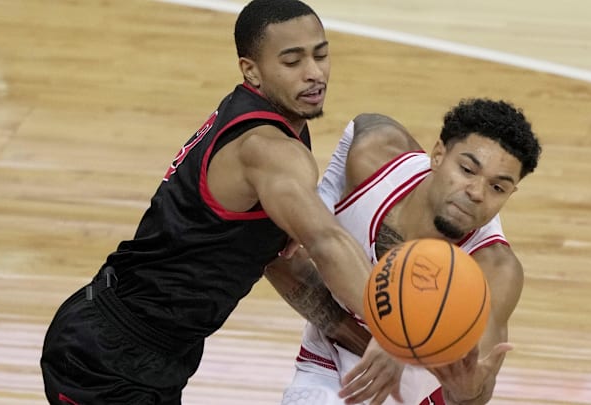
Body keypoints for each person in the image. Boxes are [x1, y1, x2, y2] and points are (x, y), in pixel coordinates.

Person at [39, 1, 380, 404]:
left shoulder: (280, 127)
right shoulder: (266, 149)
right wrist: (395, 330)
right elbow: (325, 241)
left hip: (153, 349)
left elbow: (278, 262)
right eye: (292, 61)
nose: (314, 73)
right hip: (109, 356)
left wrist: (361, 339)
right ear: (250, 70)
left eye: (320, 55)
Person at [264, 98, 542, 404]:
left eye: (497, 188)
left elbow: (476, 385)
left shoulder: (496, 271)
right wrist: (385, 336)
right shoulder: (373, 156)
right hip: (330, 362)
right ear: (438, 155)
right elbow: (277, 260)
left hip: (419, 394)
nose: (476, 193)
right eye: (466, 170)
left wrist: (466, 392)